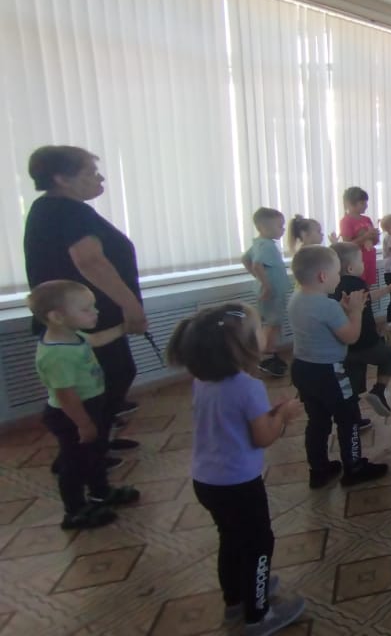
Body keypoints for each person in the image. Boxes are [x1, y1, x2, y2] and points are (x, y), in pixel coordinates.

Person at [168, 303, 306, 635]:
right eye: (258, 329)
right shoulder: (248, 386)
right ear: (239, 346)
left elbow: (231, 421)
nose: (265, 333)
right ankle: (259, 615)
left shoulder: (202, 380)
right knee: (259, 544)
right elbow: (262, 438)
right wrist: (283, 416)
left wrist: (268, 414)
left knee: (230, 538)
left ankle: (235, 600)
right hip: (239, 483)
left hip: (206, 480)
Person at [24, 146, 145, 464]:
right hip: (83, 316)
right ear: (61, 179)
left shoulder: (52, 209)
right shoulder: (68, 211)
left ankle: (97, 442)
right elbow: (90, 261)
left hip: (80, 315)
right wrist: (131, 305)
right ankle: (84, 452)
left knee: (111, 377)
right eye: (90, 173)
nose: (100, 178)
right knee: (102, 382)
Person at [28, 281, 140, 530]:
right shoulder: (57, 355)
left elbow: (97, 339)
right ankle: (75, 510)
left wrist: (124, 327)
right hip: (72, 415)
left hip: (89, 406)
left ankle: (100, 493)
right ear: (57, 317)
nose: (95, 312)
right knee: (74, 464)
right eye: (86, 309)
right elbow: (66, 395)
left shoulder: (71, 335)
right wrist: (84, 424)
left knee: (96, 452)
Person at [286, 245, 387, 489]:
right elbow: (350, 336)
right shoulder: (327, 306)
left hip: (302, 369)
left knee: (317, 420)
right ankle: (354, 468)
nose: (339, 278)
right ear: (323, 276)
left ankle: (318, 470)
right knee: (348, 418)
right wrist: (355, 312)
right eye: (336, 273)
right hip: (329, 372)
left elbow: (318, 325)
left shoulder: (296, 299)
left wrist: (342, 310)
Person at [331, 243, 391, 419]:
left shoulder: (333, 286)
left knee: (354, 384)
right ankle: (378, 390)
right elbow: (365, 299)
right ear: (350, 268)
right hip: (367, 342)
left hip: (346, 347)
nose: (363, 264)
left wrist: (388, 289)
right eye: (361, 261)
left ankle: (354, 420)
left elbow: (367, 297)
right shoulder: (357, 283)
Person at [241, 208, 290, 378]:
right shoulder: (266, 245)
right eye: (279, 226)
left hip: (270, 291)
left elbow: (245, 259)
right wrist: (266, 284)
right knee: (272, 324)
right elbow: (256, 264)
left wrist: (259, 279)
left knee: (270, 323)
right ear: (263, 227)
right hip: (272, 292)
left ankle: (268, 352)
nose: (283, 230)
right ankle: (266, 355)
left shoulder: (259, 243)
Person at [338, 186, 379, 287]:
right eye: (362, 203)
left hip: (370, 259)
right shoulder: (346, 221)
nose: (366, 206)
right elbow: (347, 245)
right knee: (359, 287)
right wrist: (365, 236)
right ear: (350, 203)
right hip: (357, 261)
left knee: (368, 289)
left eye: (366, 203)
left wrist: (375, 236)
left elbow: (374, 241)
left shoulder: (367, 219)